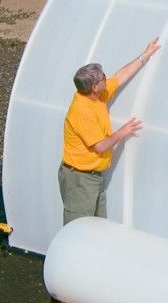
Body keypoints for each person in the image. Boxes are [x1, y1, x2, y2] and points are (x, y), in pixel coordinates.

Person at [58, 37, 161, 224]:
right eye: (103, 77)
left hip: (92, 177)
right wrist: (124, 131)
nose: (107, 78)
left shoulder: (97, 95)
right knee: (78, 227)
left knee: (97, 226)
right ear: (95, 87)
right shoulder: (82, 111)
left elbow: (121, 77)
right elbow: (100, 146)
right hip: (80, 180)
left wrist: (145, 54)